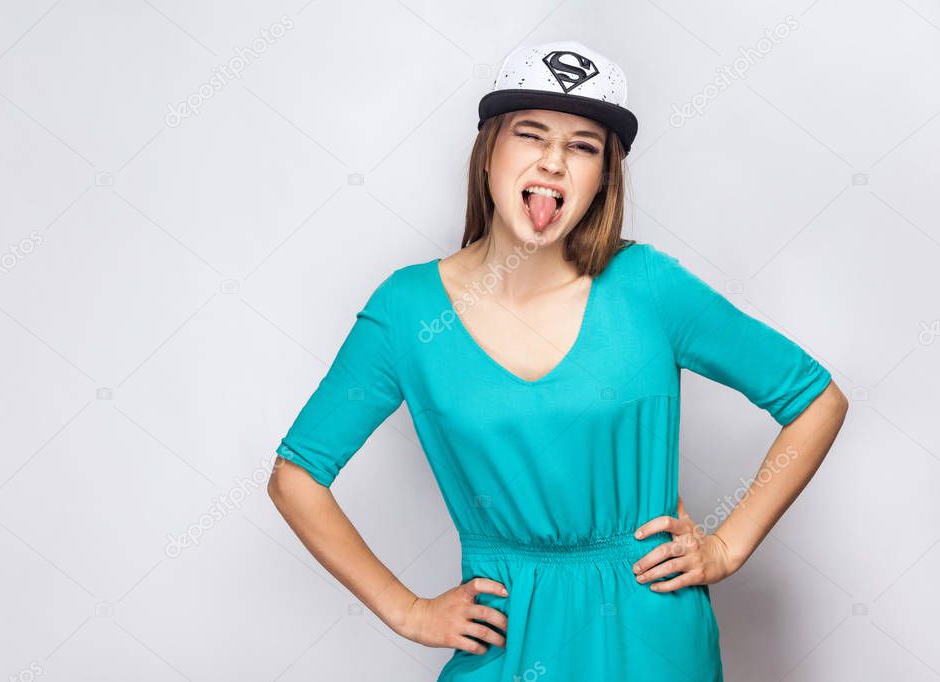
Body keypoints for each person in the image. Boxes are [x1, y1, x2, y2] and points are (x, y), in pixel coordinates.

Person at [268, 40, 848, 681]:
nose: (552, 162)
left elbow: (816, 400)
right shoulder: (408, 311)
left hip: (653, 634)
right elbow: (297, 476)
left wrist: (728, 545)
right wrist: (407, 611)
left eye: (583, 146)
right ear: (488, 149)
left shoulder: (649, 286)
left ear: (605, 175)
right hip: (507, 635)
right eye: (531, 134)